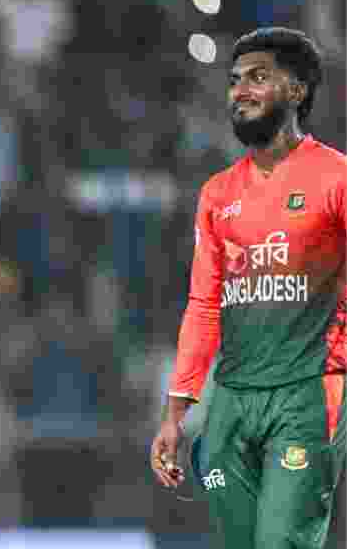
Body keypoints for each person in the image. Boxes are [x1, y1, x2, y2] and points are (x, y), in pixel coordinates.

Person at [150, 27, 346, 548]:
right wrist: (176, 413)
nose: (240, 90)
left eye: (258, 77)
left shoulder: (335, 178)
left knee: (280, 543)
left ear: (298, 90)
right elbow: (203, 305)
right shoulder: (217, 194)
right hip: (231, 405)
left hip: (308, 394)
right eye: (235, 80)